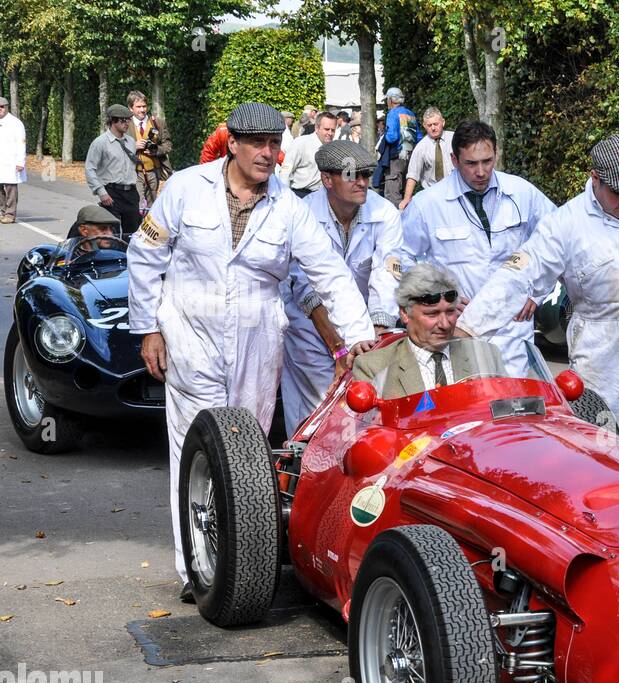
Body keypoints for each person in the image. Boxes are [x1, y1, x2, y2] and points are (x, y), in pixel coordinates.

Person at [127, 101, 375, 603]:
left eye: (275, 145)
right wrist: (149, 328)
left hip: (259, 337)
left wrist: (359, 338)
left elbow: (328, 271)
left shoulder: (288, 206)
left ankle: (236, 561)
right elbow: (145, 253)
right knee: (195, 448)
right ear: (233, 144)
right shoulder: (184, 189)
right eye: (258, 144)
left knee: (247, 457)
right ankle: (194, 568)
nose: (268, 154)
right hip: (191, 330)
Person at [458, 135, 619, 473]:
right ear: (595, 178)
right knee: (609, 467)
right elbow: (519, 275)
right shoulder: (567, 224)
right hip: (607, 369)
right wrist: (468, 326)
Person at [400, 120, 555, 376]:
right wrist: (436, 297)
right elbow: (401, 255)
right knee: (467, 407)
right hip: (457, 326)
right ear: (455, 159)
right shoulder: (428, 204)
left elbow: (554, 241)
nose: (481, 171)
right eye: (471, 164)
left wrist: (537, 293)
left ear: (496, 154)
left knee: (514, 407)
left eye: (488, 161)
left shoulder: (522, 193)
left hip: (513, 326)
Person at [280, 140, 404, 433]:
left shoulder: (385, 213)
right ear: (327, 179)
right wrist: (338, 350)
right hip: (310, 326)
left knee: (368, 405)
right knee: (320, 409)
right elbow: (306, 287)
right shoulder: (303, 213)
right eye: (352, 175)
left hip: (365, 328)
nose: (362, 183)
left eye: (366, 174)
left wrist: (373, 339)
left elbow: (387, 277)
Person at [352, 263, 469, 398]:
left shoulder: (479, 355)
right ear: (405, 313)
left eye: (450, 312)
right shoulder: (374, 367)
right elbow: (372, 418)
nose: (445, 324)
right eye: (432, 314)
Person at [85, 105, 144, 235]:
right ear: (113, 121)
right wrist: (101, 192)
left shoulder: (131, 142)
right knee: (111, 233)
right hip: (111, 193)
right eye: (123, 120)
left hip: (130, 194)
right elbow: (90, 169)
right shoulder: (100, 142)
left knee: (133, 234)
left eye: (128, 120)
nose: (127, 123)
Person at [399, 107, 453, 209]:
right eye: (429, 125)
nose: (433, 128)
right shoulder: (421, 147)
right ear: (424, 126)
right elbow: (413, 174)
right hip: (433, 195)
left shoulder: (454, 139)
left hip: (455, 191)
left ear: (443, 122)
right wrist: (407, 198)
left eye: (436, 124)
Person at [126, 91, 172, 208]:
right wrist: (133, 146)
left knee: (151, 208)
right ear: (130, 108)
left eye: (144, 106)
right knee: (138, 205)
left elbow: (168, 144)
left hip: (153, 172)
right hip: (134, 173)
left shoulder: (158, 123)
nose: (142, 110)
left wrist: (157, 150)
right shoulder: (124, 124)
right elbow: (116, 148)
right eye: (138, 107)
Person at [374, 88, 418, 204]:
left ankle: (396, 219)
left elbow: (391, 137)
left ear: (391, 100)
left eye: (387, 100)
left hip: (396, 158)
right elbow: (418, 137)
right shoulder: (410, 113)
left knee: (392, 193)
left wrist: (386, 135)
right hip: (410, 156)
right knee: (406, 191)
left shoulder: (392, 113)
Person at [279, 111, 337, 196]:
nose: (330, 133)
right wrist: (285, 198)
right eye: (327, 129)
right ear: (317, 128)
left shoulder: (334, 147)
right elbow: (285, 173)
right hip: (301, 195)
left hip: (324, 195)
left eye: (333, 130)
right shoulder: (301, 143)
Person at [0, 96, 26, 225]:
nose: (0, 109)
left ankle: (10, 214)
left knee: (10, 188)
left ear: (6, 107)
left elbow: (21, 143)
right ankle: (3, 210)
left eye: (2, 107)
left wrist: (21, 162)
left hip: (11, 162)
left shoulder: (15, 123)